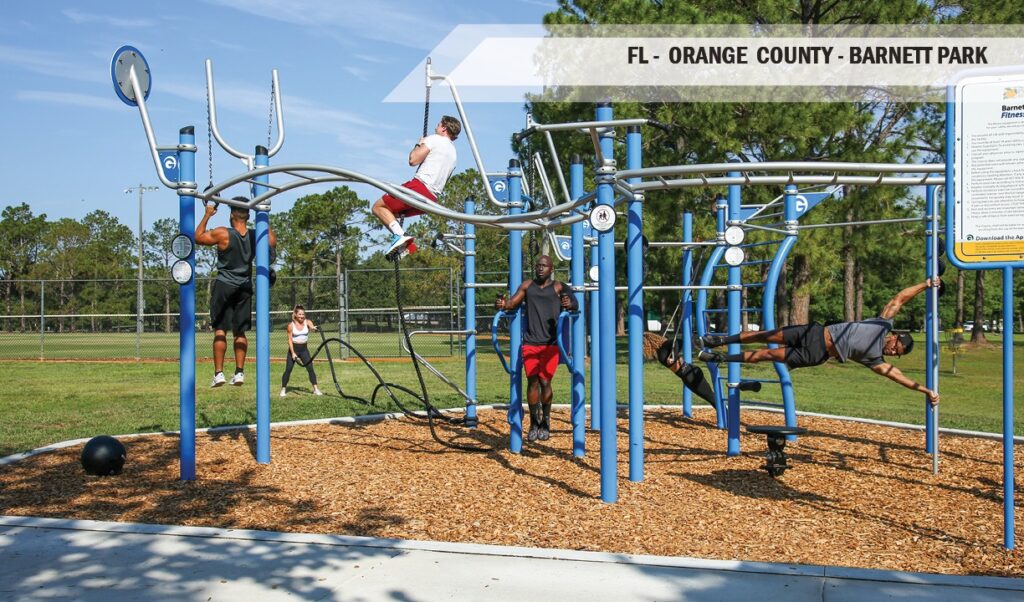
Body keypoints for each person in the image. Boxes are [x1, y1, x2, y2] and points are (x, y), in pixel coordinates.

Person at [699, 278, 941, 405]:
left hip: (816, 353)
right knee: (764, 334)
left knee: (767, 354)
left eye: (896, 354)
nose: (893, 352)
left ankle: (719, 358)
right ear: (894, 337)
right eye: (896, 347)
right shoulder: (882, 324)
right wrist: (926, 285)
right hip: (814, 333)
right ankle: (717, 341)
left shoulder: (876, 360)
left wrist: (925, 390)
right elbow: (900, 298)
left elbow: (898, 376)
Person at [495, 255, 578, 442]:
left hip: (551, 344)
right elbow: (511, 303)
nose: (540, 268)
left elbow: (574, 303)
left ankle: (545, 422)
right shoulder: (527, 286)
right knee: (532, 381)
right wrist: (502, 304)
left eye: (544, 266)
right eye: (538, 265)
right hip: (531, 343)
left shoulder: (559, 287)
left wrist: (569, 304)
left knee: (545, 382)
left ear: (551, 269)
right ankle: (534, 422)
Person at [195, 199, 277, 388]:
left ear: (232, 214)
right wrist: (263, 216)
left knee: (220, 330)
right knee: (240, 332)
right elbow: (272, 243)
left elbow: (198, 237)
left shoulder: (223, 233)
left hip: (224, 285)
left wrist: (207, 214)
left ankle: (219, 373)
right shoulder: (255, 235)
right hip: (244, 287)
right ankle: (239, 372)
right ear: (247, 215)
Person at [371, 115, 461, 258]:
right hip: (431, 199)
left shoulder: (435, 139)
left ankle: (400, 236)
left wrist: (419, 144)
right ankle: (408, 245)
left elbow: (413, 160)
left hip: (419, 187)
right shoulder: (453, 153)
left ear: (444, 128)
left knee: (378, 207)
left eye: (438, 125)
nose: (435, 127)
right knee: (390, 214)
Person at [280, 305, 323, 397]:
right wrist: (293, 353)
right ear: (295, 315)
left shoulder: (307, 322)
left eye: (303, 314)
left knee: (310, 368)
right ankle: (283, 389)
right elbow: (290, 340)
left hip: (304, 350)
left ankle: (316, 389)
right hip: (294, 349)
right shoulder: (291, 326)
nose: (301, 316)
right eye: (299, 314)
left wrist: (314, 329)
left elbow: (312, 328)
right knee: (288, 369)